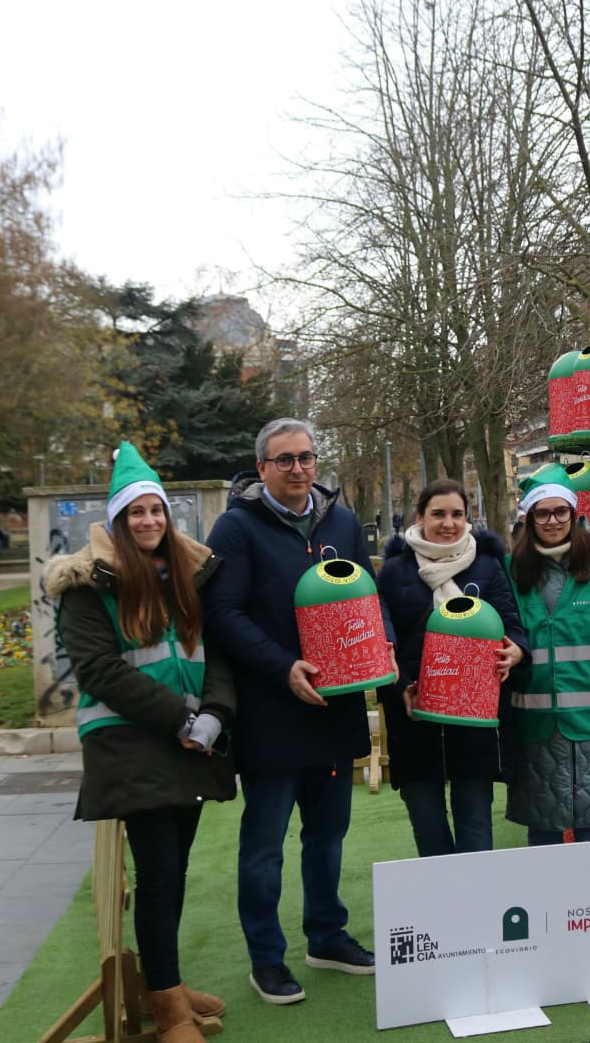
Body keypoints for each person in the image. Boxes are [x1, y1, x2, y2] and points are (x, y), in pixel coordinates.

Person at [46, 443, 235, 1043]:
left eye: (156, 511)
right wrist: (181, 719)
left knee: (173, 873)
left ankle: (164, 986)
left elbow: (217, 654)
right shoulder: (87, 587)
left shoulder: (186, 575)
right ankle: (171, 1008)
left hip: (188, 740)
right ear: (119, 522)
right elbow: (99, 671)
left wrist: (215, 714)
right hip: (130, 744)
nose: (149, 522)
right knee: (158, 875)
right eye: (137, 514)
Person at [203, 418, 396, 1006]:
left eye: (306, 458)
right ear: (260, 468)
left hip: (333, 711)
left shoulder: (339, 519)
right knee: (264, 844)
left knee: (329, 834)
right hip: (272, 711)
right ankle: (267, 959)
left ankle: (326, 936)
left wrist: (381, 639)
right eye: (283, 460)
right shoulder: (235, 529)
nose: (297, 469)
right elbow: (224, 615)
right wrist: (284, 666)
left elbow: (368, 596)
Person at [376, 480, 527, 855]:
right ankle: (440, 912)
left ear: (468, 518)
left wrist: (517, 651)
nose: (448, 523)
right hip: (414, 719)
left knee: (476, 831)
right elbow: (382, 639)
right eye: (438, 514)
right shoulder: (394, 572)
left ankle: (480, 911)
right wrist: (401, 687)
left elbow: (512, 627)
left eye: (457, 514)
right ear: (419, 518)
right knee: (429, 833)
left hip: (473, 723)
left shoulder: (488, 567)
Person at [504, 483, 590, 845]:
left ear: (573, 515)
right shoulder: (512, 571)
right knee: (543, 823)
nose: (552, 521)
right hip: (534, 722)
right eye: (542, 513)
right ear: (529, 519)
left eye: (560, 511)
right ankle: (547, 900)